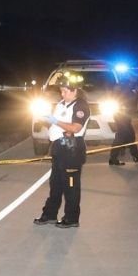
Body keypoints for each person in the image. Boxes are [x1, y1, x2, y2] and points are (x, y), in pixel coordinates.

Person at [33, 81, 89, 228]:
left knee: (71, 186)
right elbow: (56, 125)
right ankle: (49, 214)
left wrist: (55, 121)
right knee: (56, 184)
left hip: (72, 149)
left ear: (74, 90)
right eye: (61, 91)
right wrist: (46, 120)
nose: (62, 94)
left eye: (65, 91)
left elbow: (75, 128)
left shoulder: (80, 106)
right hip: (59, 147)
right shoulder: (61, 104)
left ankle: (71, 218)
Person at [109, 84, 138, 165]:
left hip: (122, 116)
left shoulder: (123, 90)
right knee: (120, 138)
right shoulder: (125, 91)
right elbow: (129, 103)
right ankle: (113, 158)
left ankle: (135, 155)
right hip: (122, 117)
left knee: (130, 136)